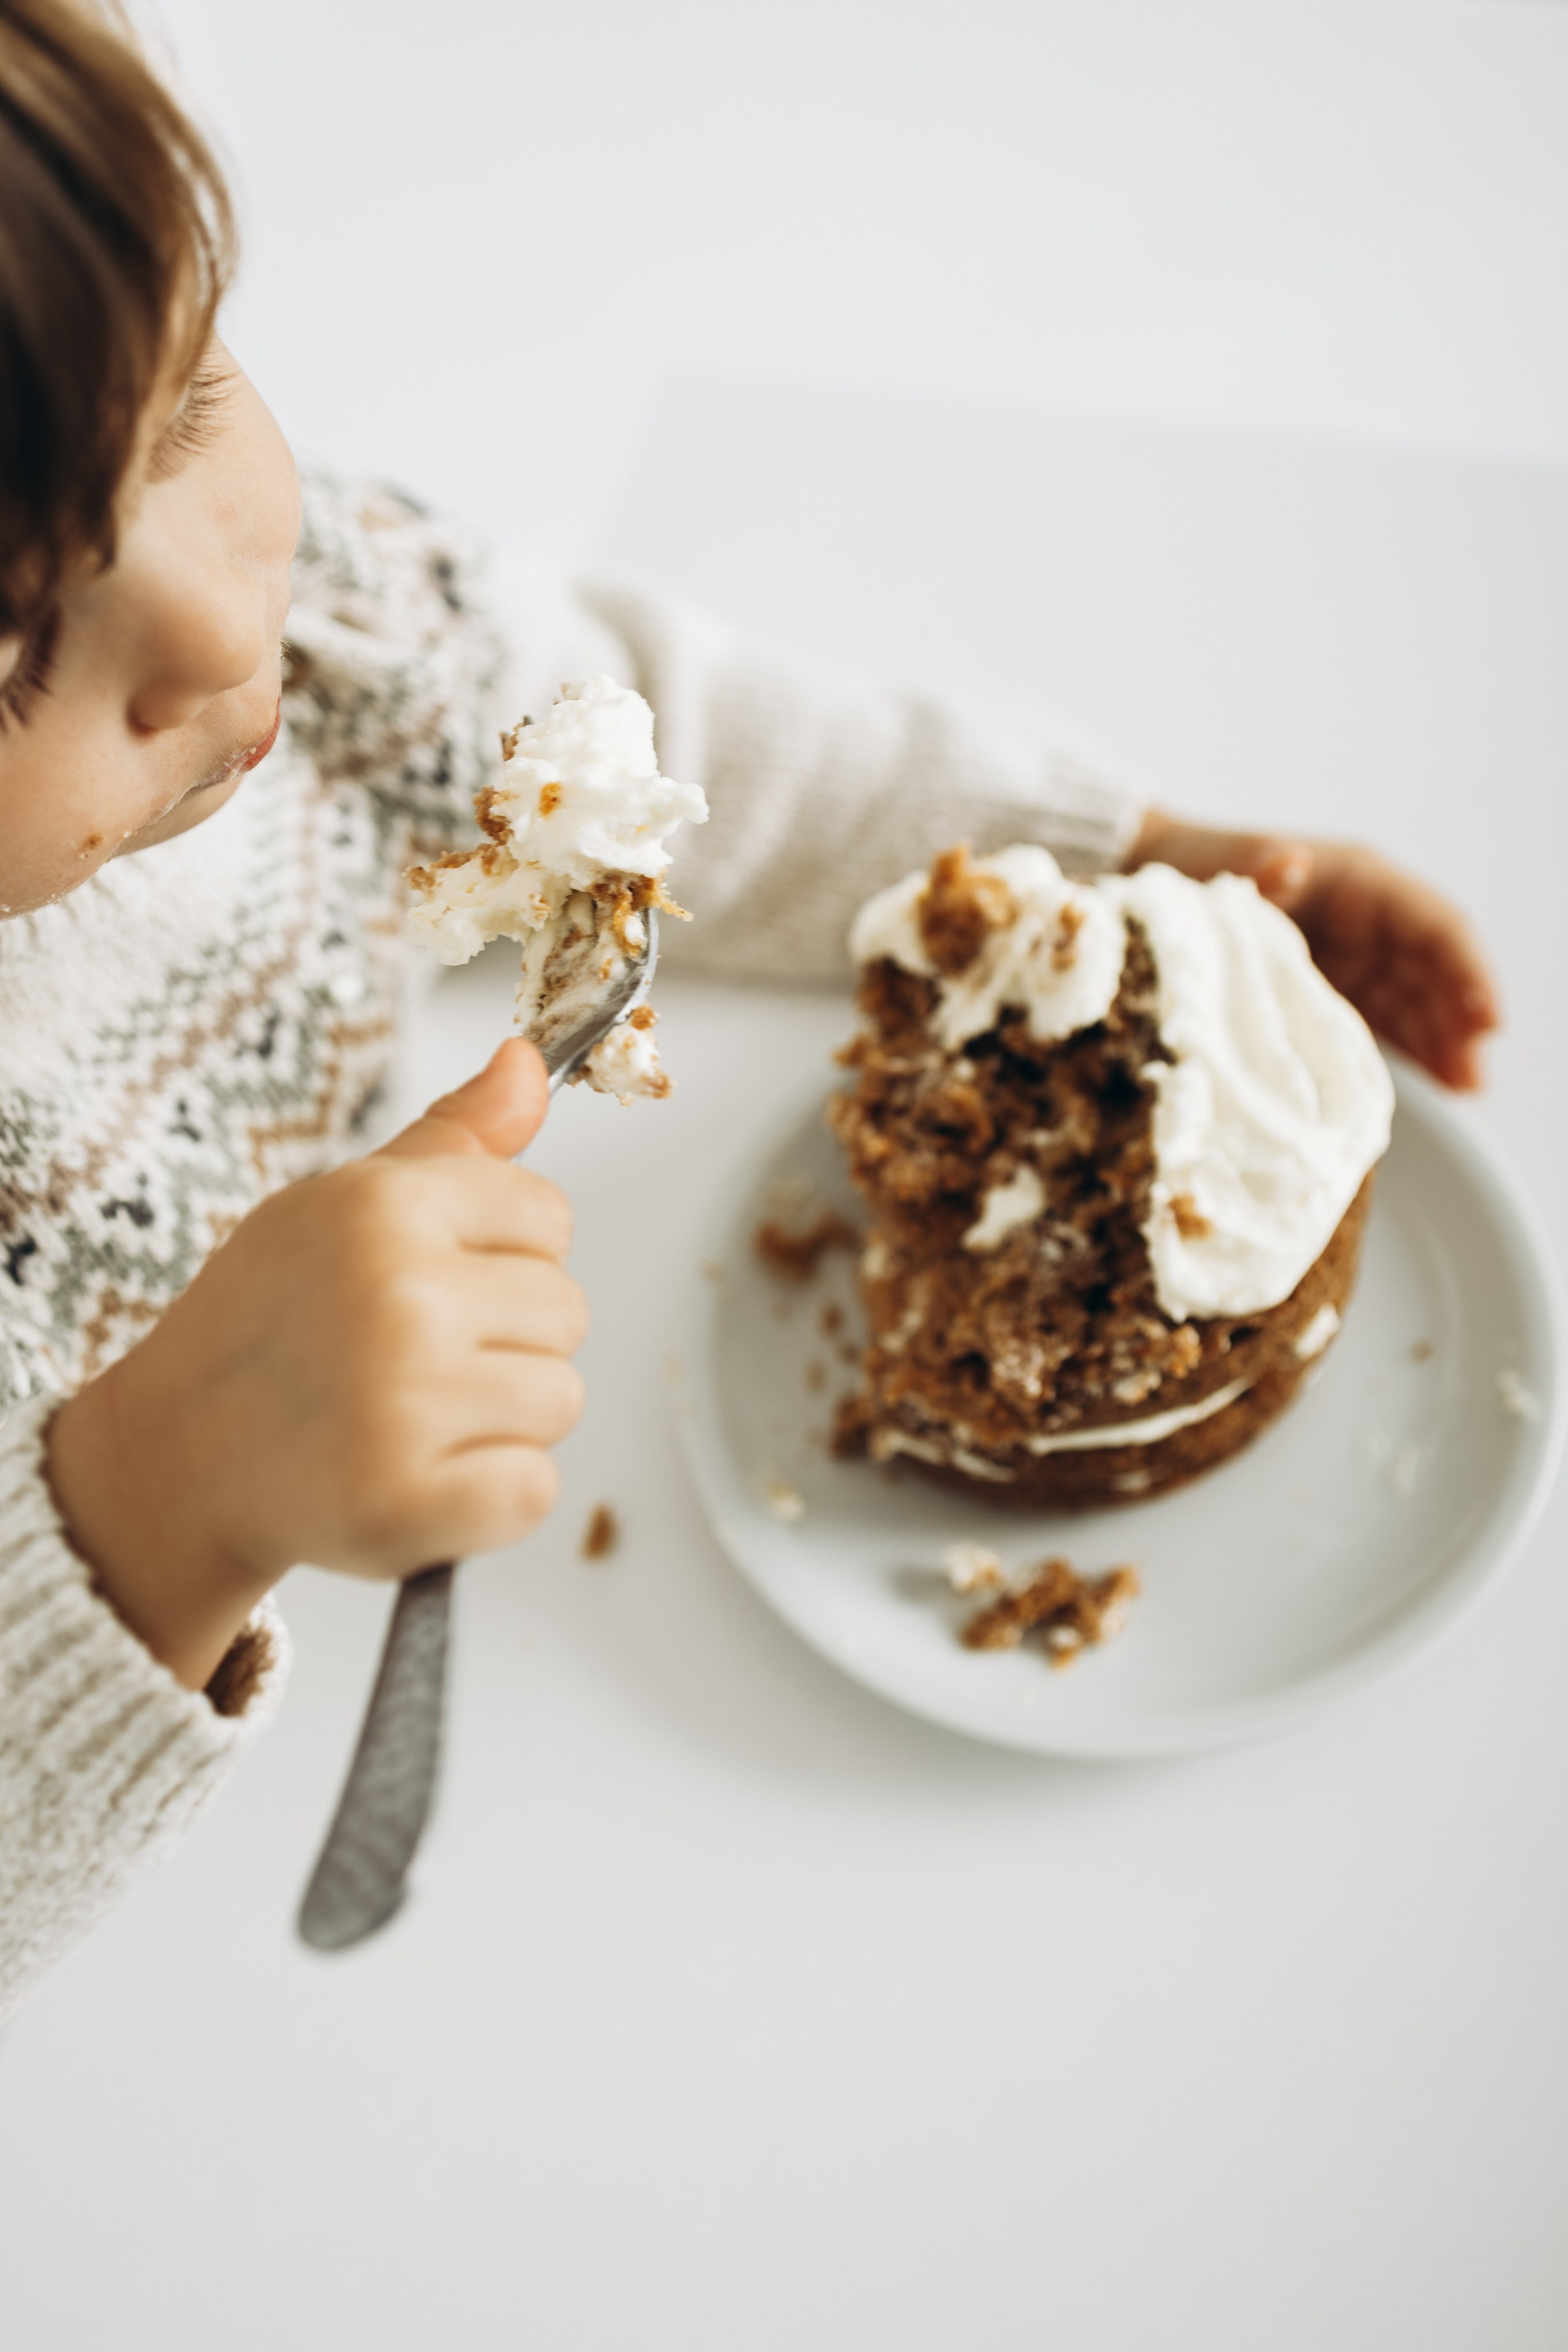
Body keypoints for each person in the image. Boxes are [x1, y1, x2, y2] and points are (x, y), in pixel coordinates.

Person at [0, 0, 1498, 2021]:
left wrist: (1097, 839)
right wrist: (156, 1508)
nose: (216, 616)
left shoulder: (256, 573)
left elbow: (627, 736)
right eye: (12, 637)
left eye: (188, 400)